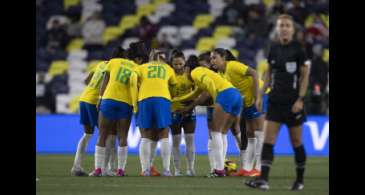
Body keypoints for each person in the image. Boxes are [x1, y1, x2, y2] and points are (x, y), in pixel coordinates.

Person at [245, 14, 310, 191]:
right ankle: (263, 180)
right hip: (275, 101)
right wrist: (260, 95)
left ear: (293, 29)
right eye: (281, 25)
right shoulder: (273, 48)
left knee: (296, 142)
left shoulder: (298, 49)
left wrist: (300, 99)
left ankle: (300, 180)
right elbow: (268, 74)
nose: (284, 28)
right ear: (277, 28)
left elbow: (305, 77)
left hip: (293, 103)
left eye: (287, 25)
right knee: (268, 140)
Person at [173, 58, 242, 177]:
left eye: (185, 70)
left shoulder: (196, 72)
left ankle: (219, 170)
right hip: (236, 95)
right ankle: (220, 168)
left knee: (215, 133)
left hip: (224, 95)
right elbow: (194, 94)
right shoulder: (202, 73)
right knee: (222, 133)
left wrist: (217, 99)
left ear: (188, 69)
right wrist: (175, 100)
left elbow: (209, 83)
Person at [89, 43, 147, 177]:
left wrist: (100, 98)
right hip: (126, 103)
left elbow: (105, 81)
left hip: (109, 100)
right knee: (123, 137)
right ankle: (120, 170)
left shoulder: (113, 62)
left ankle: (98, 169)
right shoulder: (137, 67)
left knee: (102, 135)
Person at [211, 49, 263, 177]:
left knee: (259, 133)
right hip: (248, 102)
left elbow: (254, 74)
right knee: (250, 133)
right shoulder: (221, 74)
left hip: (260, 95)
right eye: (211, 58)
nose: (212, 61)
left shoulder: (233, 65)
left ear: (224, 58)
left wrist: (258, 98)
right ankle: (247, 168)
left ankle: (259, 168)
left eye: (215, 58)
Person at [132, 49, 177, 176]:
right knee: (164, 134)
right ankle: (166, 170)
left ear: (150, 57)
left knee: (145, 135)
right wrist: (170, 97)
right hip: (163, 99)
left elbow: (132, 80)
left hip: (144, 99)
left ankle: (145, 170)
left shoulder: (141, 67)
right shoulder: (168, 68)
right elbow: (173, 85)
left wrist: (134, 99)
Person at [71, 60, 108, 176]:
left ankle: (76, 167)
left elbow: (86, 80)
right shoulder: (114, 67)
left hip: (84, 98)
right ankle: (103, 169)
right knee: (105, 134)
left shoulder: (102, 64)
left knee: (87, 135)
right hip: (94, 101)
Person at [169, 50, 196, 176]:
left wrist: (191, 104)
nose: (178, 66)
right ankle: (177, 170)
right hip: (174, 112)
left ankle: (190, 169)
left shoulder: (190, 75)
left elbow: (197, 92)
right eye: (176, 64)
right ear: (172, 64)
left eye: (180, 64)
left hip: (189, 111)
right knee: (176, 142)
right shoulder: (169, 76)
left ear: (185, 63)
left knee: (190, 141)